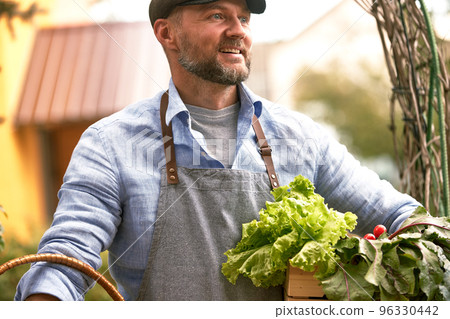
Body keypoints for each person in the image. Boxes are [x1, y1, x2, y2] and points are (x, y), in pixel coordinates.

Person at [16, 0, 420, 301]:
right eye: (216, 15)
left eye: (243, 18)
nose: (238, 30)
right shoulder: (112, 144)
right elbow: (66, 259)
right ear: (166, 33)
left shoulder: (300, 138)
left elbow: (399, 215)